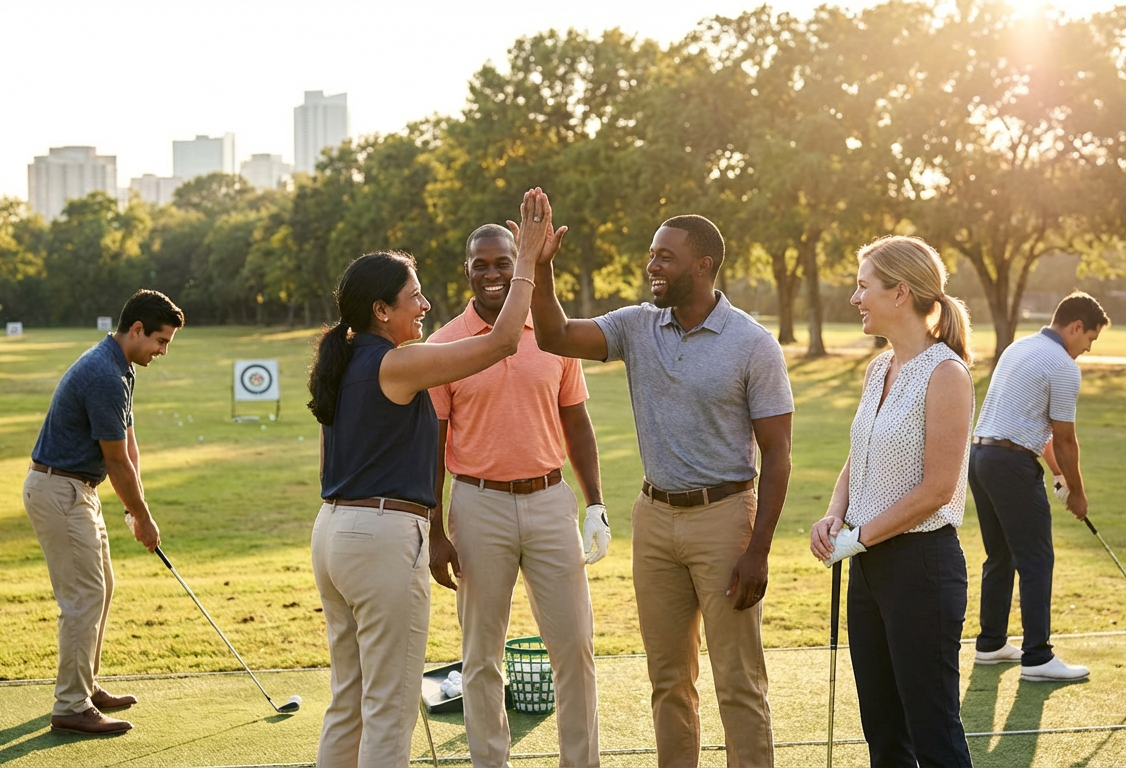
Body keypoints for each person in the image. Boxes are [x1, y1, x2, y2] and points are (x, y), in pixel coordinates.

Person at [532, 213, 793, 768]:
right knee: (669, 680)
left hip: (724, 520)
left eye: (665, 256)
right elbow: (554, 335)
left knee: (738, 682)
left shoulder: (753, 345)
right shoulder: (636, 326)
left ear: (703, 265)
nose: (652, 265)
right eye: (651, 254)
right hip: (653, 519)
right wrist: (542, 266)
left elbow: (778, 453)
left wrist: (758, 548)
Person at [307, 190, 552, 768]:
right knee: (389, 706)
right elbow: (500, 342)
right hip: (381, 539)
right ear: (380, 311)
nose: (425, 305)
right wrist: (527, 266)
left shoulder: (343, 363)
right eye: (414, 297)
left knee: (350, 700)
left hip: (334, 533)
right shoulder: (396, 362)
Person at [425, 222, 606, 768]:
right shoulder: (444, 344)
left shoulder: (552, 333)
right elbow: (431, 448)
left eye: (502, 262)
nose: (492, 273)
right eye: (480, 264)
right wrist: (434, 532)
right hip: (478, 505)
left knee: (574, 647)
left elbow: (577, 423)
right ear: (466, 271)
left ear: (519, 264)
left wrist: (594, 502)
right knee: (481, 655)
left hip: (551, 499)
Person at [810, 235, 975, 767]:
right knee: (883, 731)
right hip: (869, 564)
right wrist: (836, 515)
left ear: (900, 292)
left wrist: (858, 536)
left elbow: (937, 488)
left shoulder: (947, 373)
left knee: (933, 729)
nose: (855, 299)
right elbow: (859, 455)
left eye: (863, 287)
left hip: (922, 569)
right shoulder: (880, 368)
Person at [23, 289, 182, 735]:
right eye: (161, 341)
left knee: (102, 588)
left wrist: (137, 509)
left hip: (78, 489)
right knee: (82, 599)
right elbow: (114, 461)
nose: (162, 351)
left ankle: (86, 687)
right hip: (59, 490)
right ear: (136, 330)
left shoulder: (122, 367)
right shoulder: (104, 376)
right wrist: (145, 517)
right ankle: (71, 705)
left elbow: (127, 446)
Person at [969, 291, 1110, 682]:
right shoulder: (1063, 366)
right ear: (1076, 327)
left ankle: (991, 644)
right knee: (1036, 560)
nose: (1087, 349)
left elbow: (1033, 426)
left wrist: (1059, 474)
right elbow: (1065, 439)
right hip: (1011, 465)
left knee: (1001, 556)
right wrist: (1079, 495)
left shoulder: (1020, 348)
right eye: (1089, 339)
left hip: (981, 459)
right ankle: (1037, 657)